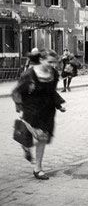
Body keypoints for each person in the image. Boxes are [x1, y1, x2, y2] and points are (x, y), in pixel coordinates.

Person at [12, 49, 66, 180]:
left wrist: (59, 104)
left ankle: (38, 168)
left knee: (42, 138)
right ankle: (25, 145)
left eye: (55, 62)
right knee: (34, 136)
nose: (53, 65)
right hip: (32, 110)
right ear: (41, 60)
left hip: (47, 111)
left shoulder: (53, 73)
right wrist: (19, 105)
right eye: (50, 62)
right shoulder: (29, 75)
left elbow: (52, 92)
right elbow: (17, 91)